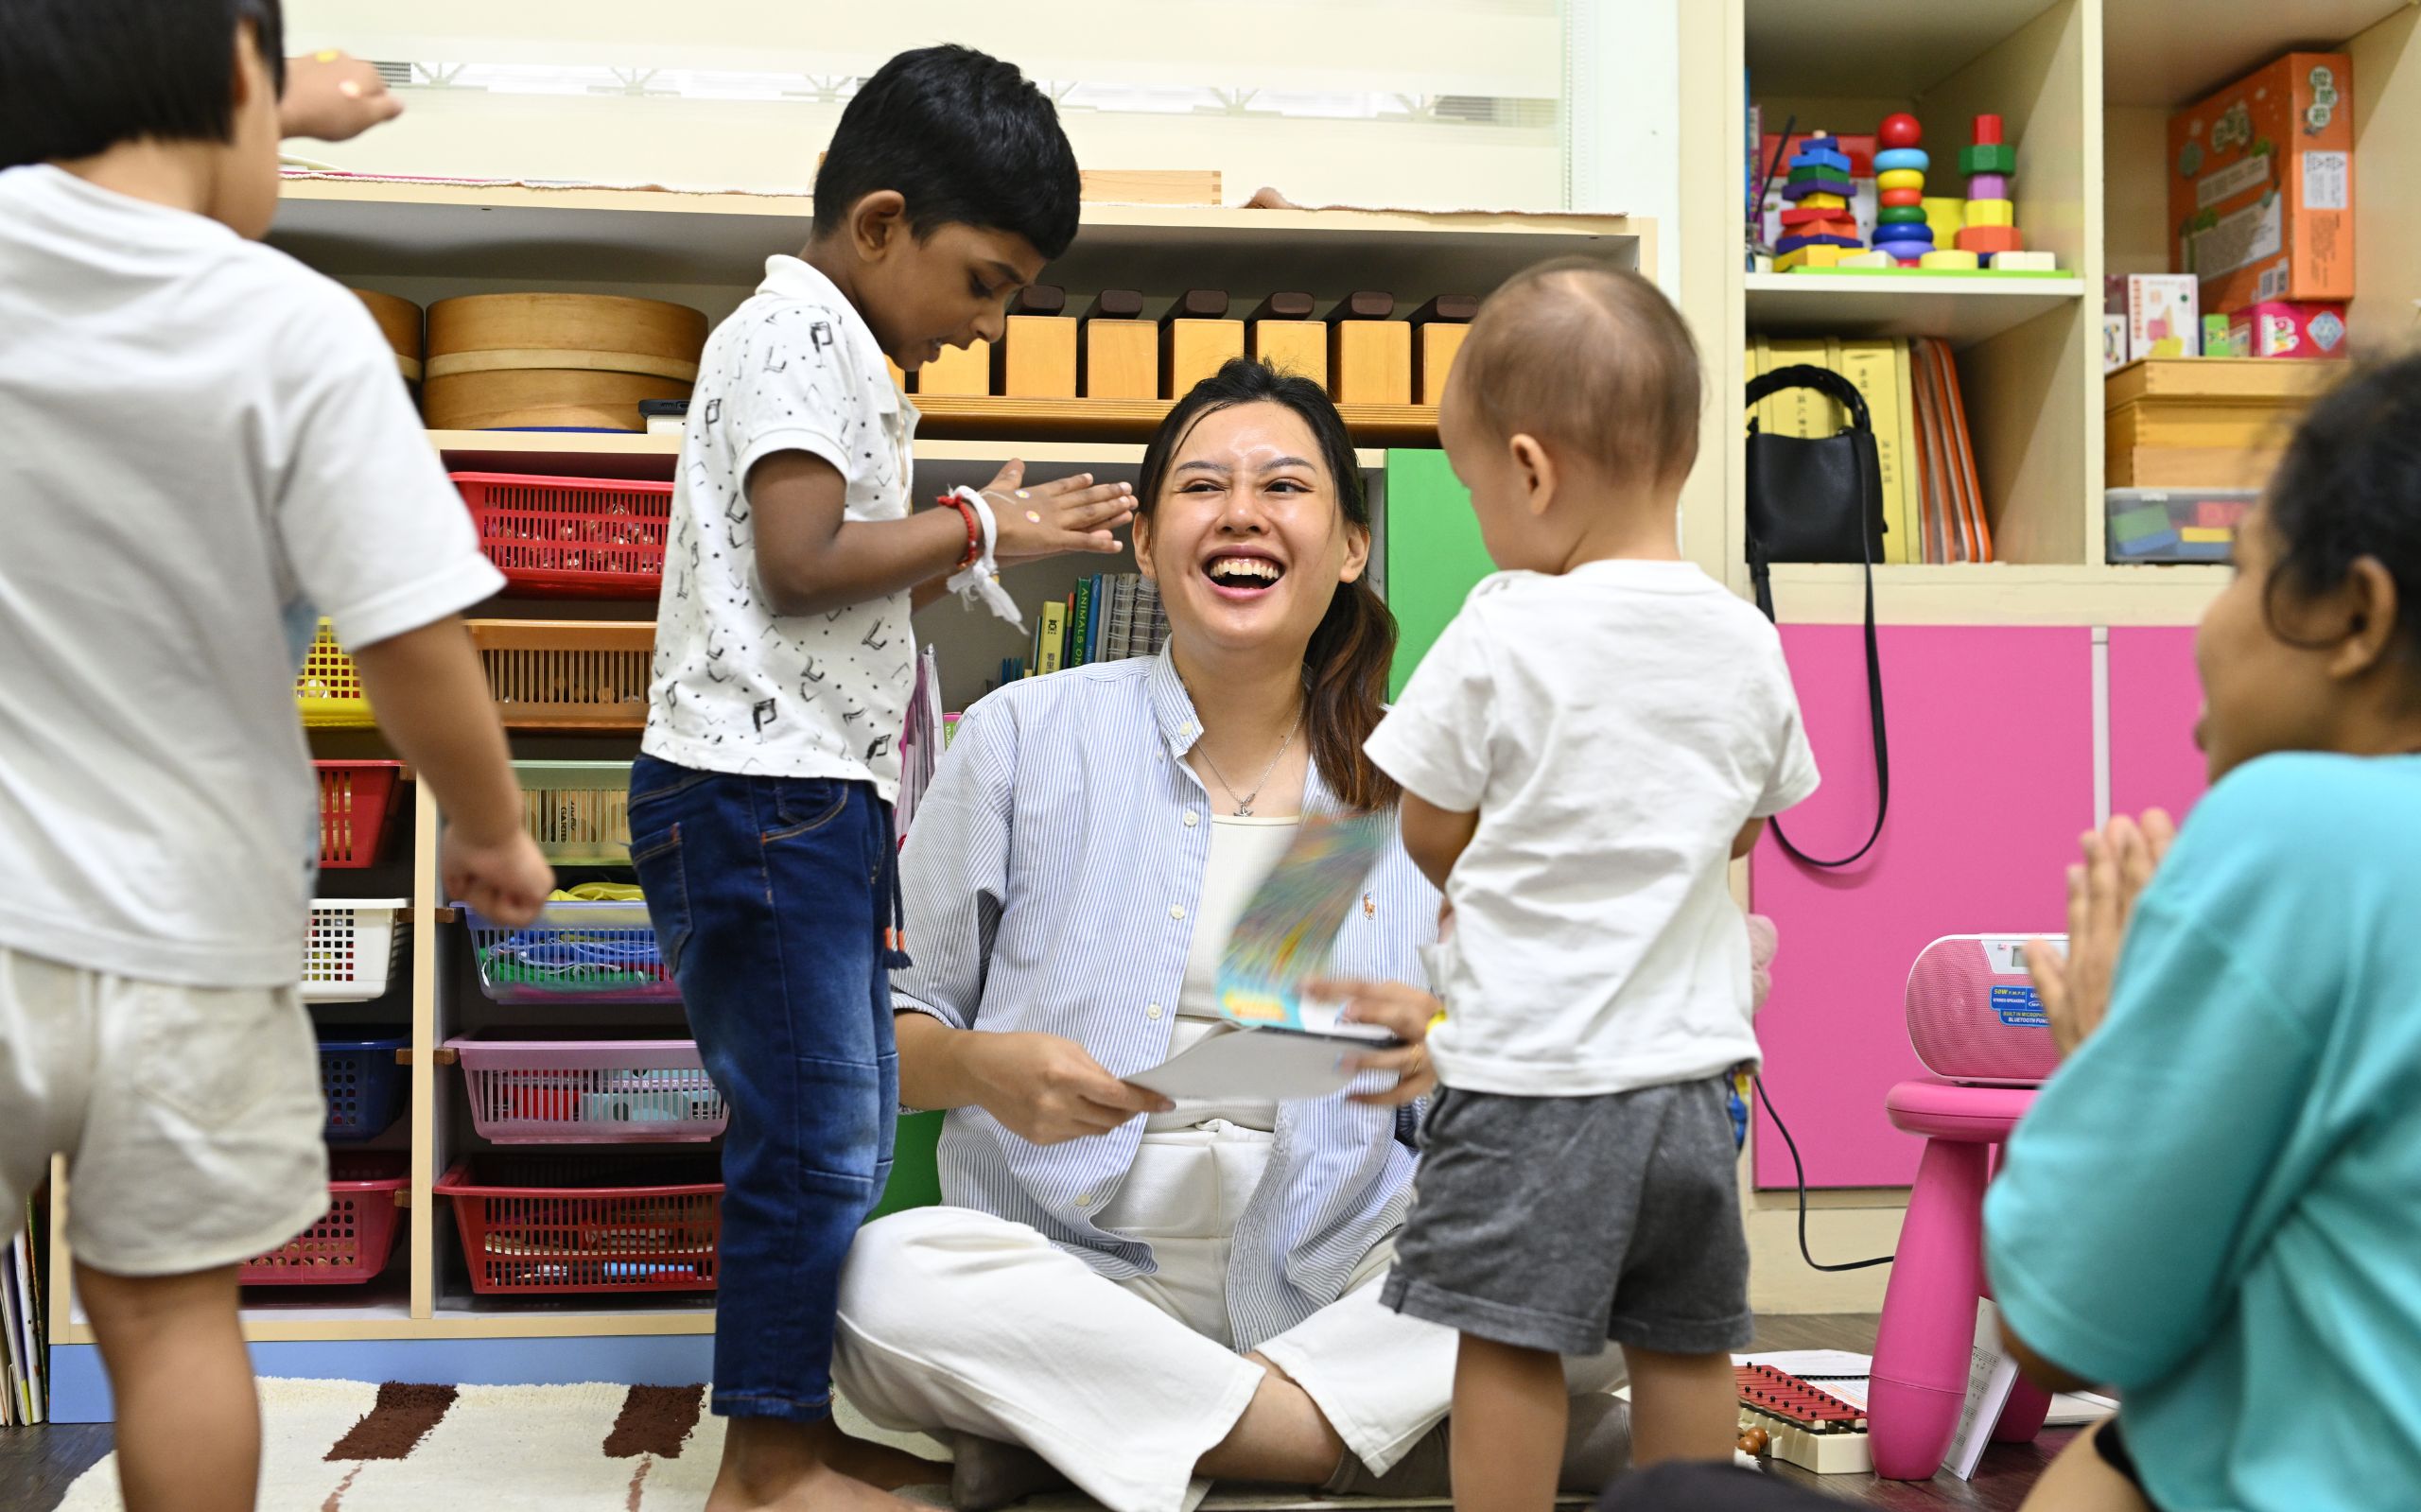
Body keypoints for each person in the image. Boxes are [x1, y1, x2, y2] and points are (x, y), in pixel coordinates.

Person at [831, 358, 1635, 1512]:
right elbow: (874, 1038)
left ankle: (1108, 1440)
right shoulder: (1020, 736)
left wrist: (1456, 1047)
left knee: (1604, 1252)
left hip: (1347, 1261)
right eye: (1203, 486)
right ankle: (1334, 1441)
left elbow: (1503, 1073)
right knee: (879, 1281)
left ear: (1350, 545)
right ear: (1150, 544)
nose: (1243, 513)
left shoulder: (1424, 775)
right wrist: (978, 1068)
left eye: (1285, 487)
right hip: (1070, 1267)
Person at [0, 4, 554, 1512]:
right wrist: (493, 829)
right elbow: (409, 639)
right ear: (245, 75)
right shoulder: (293, 323)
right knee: (169, 1312)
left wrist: (256, 105)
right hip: (190, 941)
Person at [622, 43, 1138, 1512]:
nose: (989, 320)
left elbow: (824, 594)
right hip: (761, 796)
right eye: (985, 280)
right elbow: (799, 565)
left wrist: (970, 561)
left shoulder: (844, 355)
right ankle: (770, 1468)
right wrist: (982, 523)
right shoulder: (794, 342)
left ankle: (788, 1433)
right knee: (809, 1134)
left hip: (797, 796)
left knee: (835, 1131)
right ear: (880, 225)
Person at [1363, 258, 1820, 1512]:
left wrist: (1477, 871)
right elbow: (1742, 830)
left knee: (1508, 1332)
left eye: (1471, 488)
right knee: (1685, 1330)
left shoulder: (1505, 623)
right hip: (1691, 1083)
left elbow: (1426, 816)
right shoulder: (1746, 638)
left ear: (1531, 470)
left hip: (1532, 1079)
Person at [1987, 354, 2421, 1512]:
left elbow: (2060, 1324)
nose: (2204, 641)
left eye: (2235, 572)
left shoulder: (2302, 829)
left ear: (2354, 614)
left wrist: (2103, 1057)